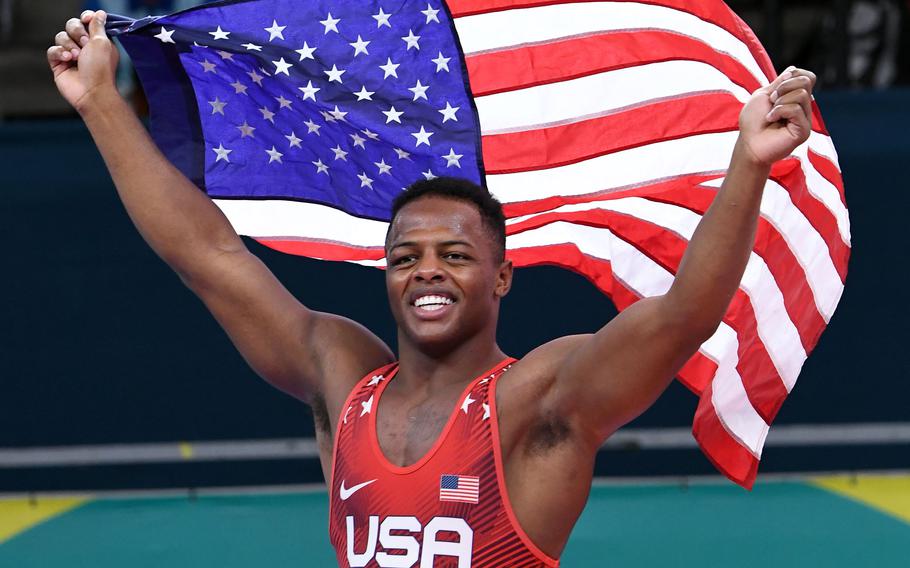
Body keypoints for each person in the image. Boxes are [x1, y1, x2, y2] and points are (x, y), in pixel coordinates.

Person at [48, 10, 817, 567]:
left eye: (455, 254)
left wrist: (748, 164)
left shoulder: (540, 402)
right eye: (406, 254)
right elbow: (209, 256)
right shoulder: (343, 377)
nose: (427, 270)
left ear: (502, 276)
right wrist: (101, 106)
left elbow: (685, 316)